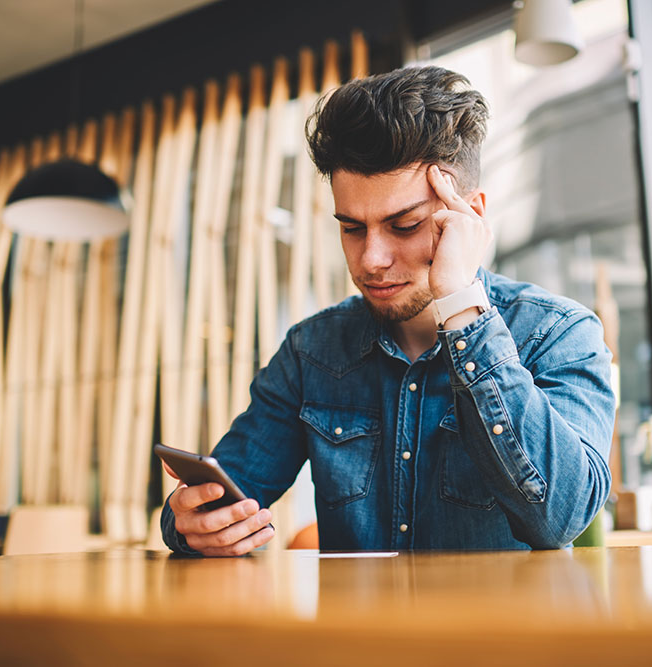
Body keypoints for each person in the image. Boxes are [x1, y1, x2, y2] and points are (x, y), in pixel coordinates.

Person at [161, 65, 615, 556]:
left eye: (404, 225)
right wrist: (190, 523)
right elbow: (226, 491)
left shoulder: (557, 333)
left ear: (470, 218)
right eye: (353, 228)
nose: (371, 259)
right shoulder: (311, 351)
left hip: (500, 634)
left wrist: (461, 306)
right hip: (357, 634)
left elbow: (560, 518)